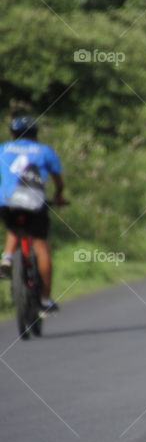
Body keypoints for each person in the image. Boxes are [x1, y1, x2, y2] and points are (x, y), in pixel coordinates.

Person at [0, 115, 66, 314]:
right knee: (40, 244)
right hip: (34, 202)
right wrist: (58, 195)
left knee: (14, 227)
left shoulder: (3, 148)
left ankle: (7, 257)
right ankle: (45, 299)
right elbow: (58, 181)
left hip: (7, 202)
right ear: (35, 133)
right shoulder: (44, 151)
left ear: (13, 133)